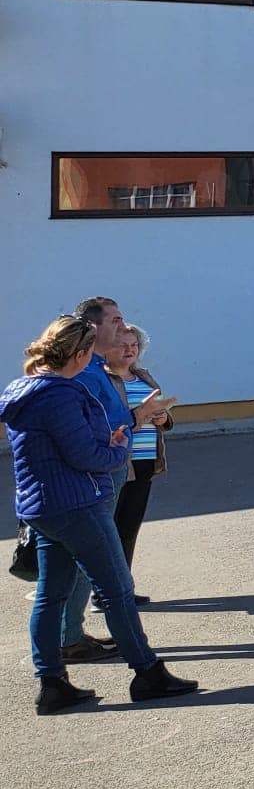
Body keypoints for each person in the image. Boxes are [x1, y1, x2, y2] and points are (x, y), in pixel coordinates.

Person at [4, 316, 197, 715]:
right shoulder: (60, 394)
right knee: (116, 591)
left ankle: (53, 683)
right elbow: (87, 456)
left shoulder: (23, 388)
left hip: (42, 507)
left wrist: (112, 434)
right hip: (76, 505)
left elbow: (63, 446)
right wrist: (119, 448)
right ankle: (148, 673)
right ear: (78, 355)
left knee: (51, 594)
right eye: (91, 353)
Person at [61, 298, 148, 652]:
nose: (123, 327)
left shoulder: (95, 368)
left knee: (83, 563)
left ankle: (71, 636)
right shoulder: (83, 372)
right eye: (116, 320)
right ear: (93, 328)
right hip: (96, 474)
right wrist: (136, 418)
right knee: (92, 563)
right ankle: (73, 641)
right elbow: (92, 427)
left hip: (106, 470)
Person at [105, 323, 170, 578]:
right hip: (119, 462)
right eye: (122, 345)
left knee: (129, 527)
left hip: (145, 461)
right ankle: (106, 590)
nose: (130, 350)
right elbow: (106, 421)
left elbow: (160, 411)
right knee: (110, 527)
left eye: (134, 345)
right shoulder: (104, 379)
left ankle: (123, 587)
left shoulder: (143, 376)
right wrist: (139, 414)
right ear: (107, 348)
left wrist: (163, 417)